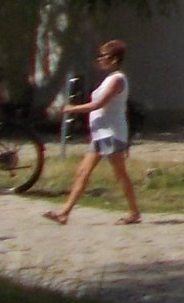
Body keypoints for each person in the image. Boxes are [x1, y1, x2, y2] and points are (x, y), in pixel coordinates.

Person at [46, 40, 141, 226]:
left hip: (112, 133)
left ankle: (134, 211)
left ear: (114, 60)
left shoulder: (118, 80)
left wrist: (70, 109)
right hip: (100, 133)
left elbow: (99, 104)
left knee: (120, 174)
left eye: (103, 57)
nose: (99, 60)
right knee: (82, 172)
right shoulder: (108, 79)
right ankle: (65, 213)